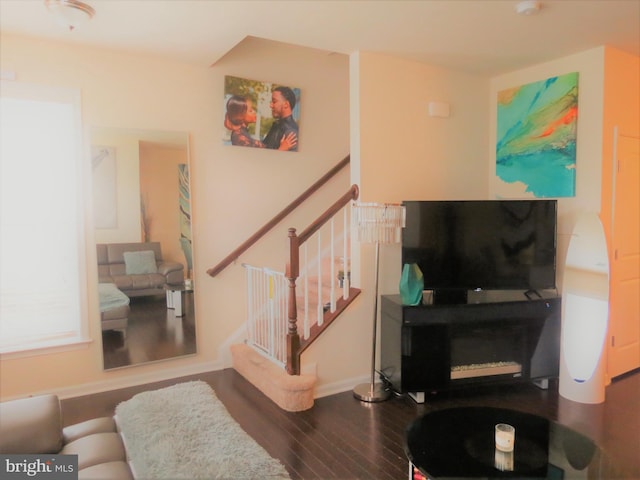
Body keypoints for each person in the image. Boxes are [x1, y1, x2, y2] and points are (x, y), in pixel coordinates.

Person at [224, 95, 296, 150]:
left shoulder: (241, 133)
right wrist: (282, 148)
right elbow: (259, 161)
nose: (254, 112)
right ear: (240, 115)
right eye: (251, 110)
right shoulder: (240, 137)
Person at [262, 86, 299, 152]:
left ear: (286, 104)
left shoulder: (291, 132)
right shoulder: (277, 125)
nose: (271, 105)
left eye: (274, 101)